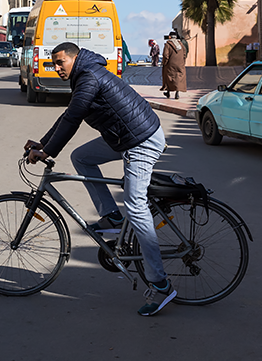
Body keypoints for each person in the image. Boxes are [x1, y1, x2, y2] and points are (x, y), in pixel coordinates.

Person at [24, 42, 174, 316]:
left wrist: (46, 151)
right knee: (82, 157)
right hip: (123, 137)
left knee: (136, 206)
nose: (57, 68)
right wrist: (43, 142)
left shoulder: (89, 76)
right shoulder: (84, 75)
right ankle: (112, 217)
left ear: (74, 58)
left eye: (60, 63)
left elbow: (73, 119)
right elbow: (69, 114)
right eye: (53, 64)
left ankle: (161, 284)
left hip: (141, 140)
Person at [161, 31, 187, 100]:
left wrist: (164, 63)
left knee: (169, 78)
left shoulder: (168, 45)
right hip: (180, 64)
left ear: (169, 37)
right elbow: (184, 54)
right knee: (178, 78)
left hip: (170, 65)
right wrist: (183, 62)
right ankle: (177, 93)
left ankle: (168, 92)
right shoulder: (181, 45)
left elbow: (166, 55)